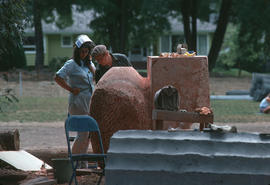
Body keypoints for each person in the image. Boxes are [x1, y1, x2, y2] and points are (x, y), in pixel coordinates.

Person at [54, 34, 95, 166]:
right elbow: (58, 77)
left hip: (88, 101)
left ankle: (82, 163)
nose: (84, 54)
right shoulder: (71, 64)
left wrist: (90, 64)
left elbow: (96, 76)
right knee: (83, 134)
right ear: (77, 51)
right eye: (82, 51)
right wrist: (71, 89)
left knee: (88, 135)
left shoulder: (88, 64)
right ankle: (73, 162)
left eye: (86, 51)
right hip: (78, 102)